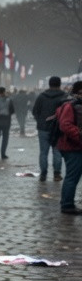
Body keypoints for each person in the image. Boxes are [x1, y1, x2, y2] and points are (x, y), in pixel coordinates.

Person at [33, 77, 68, 181]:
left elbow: (35, 111)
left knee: (43, 152)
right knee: (57, 151)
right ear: (60, 84)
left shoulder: (41, 97)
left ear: (49, 84)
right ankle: (57, 174)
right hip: (58, 129)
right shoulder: (64, 97)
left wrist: (41, 121)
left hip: (43, 128)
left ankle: (43, 174)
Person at [56, 81, 82, 214]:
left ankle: (67, 202)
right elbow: (65, 125)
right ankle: (67, 205)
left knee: (74, 176)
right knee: (72, 176)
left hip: (76, 146)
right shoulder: (70, 105)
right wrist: (79, 135)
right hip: (72, 146)